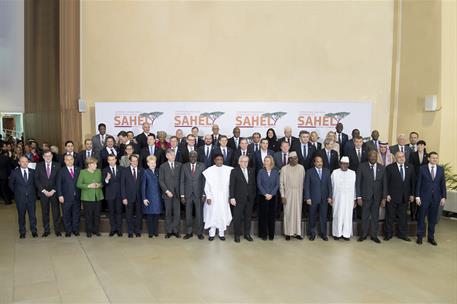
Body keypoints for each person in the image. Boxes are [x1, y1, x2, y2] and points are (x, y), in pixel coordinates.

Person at [415, 152, 446, 246]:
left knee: (432, 219)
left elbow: (442, 184)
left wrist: (443, 197)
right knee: (421, 218)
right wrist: (417, 196)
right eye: (433, 158)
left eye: (436, 158)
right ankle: (419, 237)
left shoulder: (441, 169)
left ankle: (431, 237)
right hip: (424, 197)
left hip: (436, 198)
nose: (435, 160)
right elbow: (418, 183)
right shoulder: (422, 169)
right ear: (428, 158)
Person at [356, 150, 387, 243]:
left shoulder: (382, 168)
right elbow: (358, 183)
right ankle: (363, 235)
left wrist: (384, 198)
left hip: (377, 197)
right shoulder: (362, 166)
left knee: (375, 217)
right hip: (365, 196)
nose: (373, 158)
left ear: (377, 157)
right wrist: (359, 197)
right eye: (371, 156)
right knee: (364, 216)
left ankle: (374, 235)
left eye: (374, 156)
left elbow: (384, 184)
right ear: (368, 157)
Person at [385, 151, 415, 242]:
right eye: (399, 157)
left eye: (403, 156)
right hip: (392, 197)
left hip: (404, 197)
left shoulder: (410, 167)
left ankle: (402, 235)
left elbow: (413, 182)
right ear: (395, 158)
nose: (401, 158)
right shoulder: (390, 168)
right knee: (390, 217)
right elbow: (386, 182)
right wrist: (387, 194)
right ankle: (388, 234)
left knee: (403, 217)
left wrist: (412, 194)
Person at [202, 154, 233, 241]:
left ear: (223, 160)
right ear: (214, 161)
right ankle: (211, 233)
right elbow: (206, 185)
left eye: (221, 159)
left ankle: (221, 233)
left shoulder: (229, 170)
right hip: (213, 197)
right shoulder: (209, 170)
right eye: (217, 159)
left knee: (222, 214)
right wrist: (208, 196)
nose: (219, 161)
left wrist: (230, 196)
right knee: (212, 214)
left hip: (224, 197)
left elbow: (231, 185)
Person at [304, 155, 332, 241]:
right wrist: (307, 197)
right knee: (312, 216)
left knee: (323, 216)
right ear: (314, 163)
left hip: (324, 198)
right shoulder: (309, 172)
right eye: (318, 161)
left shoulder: (327, 171)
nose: (320, 163)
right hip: (313, 198)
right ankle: (312, 233)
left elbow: (329, 185)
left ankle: (323, 234)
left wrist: (330, 196)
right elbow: (307, 186)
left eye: (321, 161)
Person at [229, 155, 256, 243]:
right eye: (243, 161)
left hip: (249, 199)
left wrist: (253, 196)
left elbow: (253, 185)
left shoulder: (251, 171)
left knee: (248, 217)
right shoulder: (234, 171)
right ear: (239, 162)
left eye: (246, 161)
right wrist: (232, 197)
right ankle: (237, 235)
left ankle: (247, 234)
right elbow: (232, 185)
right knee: (237, 218)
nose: (245, 163)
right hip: (238, 199)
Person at [180, 151, 206, 240]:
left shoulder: (202, 165)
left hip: (198, 194)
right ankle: (189, 232)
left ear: (197, 157)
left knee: (199, 214)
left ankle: (199, 232)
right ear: (189, 157)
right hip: (188, 195)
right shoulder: (184, 166)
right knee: (188, 214)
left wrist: (203, 194)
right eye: (191, 156)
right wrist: (182, 195)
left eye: (194, 156)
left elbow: (204, 181)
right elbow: (182, 181)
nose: (193, 158)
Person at [9, 156, 37, 238]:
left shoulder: (33, 172)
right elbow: (11, 184)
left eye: (26, 161)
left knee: (32, 215)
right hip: (20, 198)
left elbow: (35, 183)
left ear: (28, 162)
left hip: (31, 197)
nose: (24, 163)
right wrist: (17, 192)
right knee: (21, 215)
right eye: (22, 161)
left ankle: (34, 231)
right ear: (19, 163)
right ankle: (22, 232)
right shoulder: (14, 172)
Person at [35, 150, 61, 237]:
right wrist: (44, 191)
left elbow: (59, 180)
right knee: (45, 212)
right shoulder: (39, 166)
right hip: (43, 193)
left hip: (54, 192)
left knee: (56, 211)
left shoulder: (57, 165)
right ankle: (46, 230)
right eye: (46, 156)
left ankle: (57, 230)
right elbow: (36, 180)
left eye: (49, 155)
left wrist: (53, 190)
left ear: (52, 156)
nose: (48, 157)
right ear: (43, 157)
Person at [280, 151, 305, 240]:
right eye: (294, 158)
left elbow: (303, 183)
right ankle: (288, 233)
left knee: (298, 213)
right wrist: (282, 196)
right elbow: (281, 183)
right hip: (288, 194)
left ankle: (297, 232)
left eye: (297, 158)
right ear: (290, 159)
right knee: (288, 213)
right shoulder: (284, 169)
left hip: (298, 194)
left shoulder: (301, 168)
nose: (296, 160)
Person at [77, 157, 104, 238]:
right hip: (87, 198)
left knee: (97, 215)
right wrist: (88, 186)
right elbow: (78, 184)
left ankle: (96, 230)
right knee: (88, 215)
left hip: (97, 197)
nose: (96, 165)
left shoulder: (99, 171)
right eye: (94, 164)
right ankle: (89, 231)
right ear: (89, 165)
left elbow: (102, 183)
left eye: (96, 164)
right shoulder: (82, 172)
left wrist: (99, 185)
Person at [331, 156, 356, 241]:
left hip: (349, 199)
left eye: (346, 164)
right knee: (337, 215)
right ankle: (336, 234)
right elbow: (330, 186)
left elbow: (354, 187)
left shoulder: (353, 173)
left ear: (348, 164)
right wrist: (330, 197)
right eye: (342, 163)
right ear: (339, 164)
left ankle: (346, 234)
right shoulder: (334, 172)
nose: (344, 165)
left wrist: (354, 199)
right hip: (337, 198)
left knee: (347, 216)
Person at [159, 149, 182, 238]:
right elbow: (161, 181)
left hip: (177, 194)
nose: (173, 156)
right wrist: (167, 191)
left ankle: (175, 230)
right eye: (171, 155)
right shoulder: (162, 166)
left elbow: (182, 180)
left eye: (174, 154)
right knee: (168, 213)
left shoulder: (179, 165)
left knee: (177, 213)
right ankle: (169, 231)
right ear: (167, 156)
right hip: (167, 194)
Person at [56, 154, 81, 237]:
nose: (69, 161)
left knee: (76, 214)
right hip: (65, 197)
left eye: (71, 159)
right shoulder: (61, 171)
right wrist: (60, 195)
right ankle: (68, 231)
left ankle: (75, 230)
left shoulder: (78, 170)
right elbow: (58, 184)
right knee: (66, 215)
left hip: (77, 197)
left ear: (73, 160)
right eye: (67, 159)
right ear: (65, 161)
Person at [257, 155, 280, 240]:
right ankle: (263, 234)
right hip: (263, 197)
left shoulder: (275, 171)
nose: (266, 162)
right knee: (263, 216)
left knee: (271, 216)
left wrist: (271, 194)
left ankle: (271, 235)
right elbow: (259, 184)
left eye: (267, 161)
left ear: (271, 162)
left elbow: (277, 184)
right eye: (265, 161)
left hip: (273, 197)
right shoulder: (261, 171)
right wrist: (265, 194)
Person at [121, 154, 144, 238]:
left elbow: (143, 185)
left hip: (139, 197)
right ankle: (130, 231)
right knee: (129, 215)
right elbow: (122, 185)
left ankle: (138, 231)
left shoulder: (141, 170)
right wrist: (124, 197)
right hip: (128, 197)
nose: (135, 162)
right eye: (133, 161)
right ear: (130, 161)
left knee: (139, 215)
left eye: (136, 161)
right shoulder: (125, 171)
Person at [141, 155, 163, 238]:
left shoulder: (158, 171)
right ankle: (150, 232)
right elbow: (143, 187)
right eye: (151, 163)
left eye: (154, 163)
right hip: (149, 197)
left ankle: (155, 231)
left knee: (156, 216)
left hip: (157, 198)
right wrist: (144, 198)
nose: (153, 164)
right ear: (148, 164)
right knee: (150, 216)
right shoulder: (145, 172)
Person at [103, 154, 123, 237]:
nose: (111, 161)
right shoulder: (105, 170)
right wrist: (107, 179)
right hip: (110, 195)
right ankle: (112, 229)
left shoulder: (121, 169)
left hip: (119, 194)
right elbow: (103, 183)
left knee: (119, 212)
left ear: (116, 160)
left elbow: (123, 182)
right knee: (111, 212)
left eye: (113, 159)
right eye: (110, 160)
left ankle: (119, 229)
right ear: (108, 161)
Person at [409, 140, 427, 221]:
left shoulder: (427, 155)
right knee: (413, 196)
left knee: (421, 197)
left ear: (424, 146)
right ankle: (413, 214)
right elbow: (410, 165)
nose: (420, 146)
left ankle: (419, 214)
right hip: (414, 178)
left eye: (422, 145)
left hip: (423, 180)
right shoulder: (413, 154)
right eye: (418, 145)